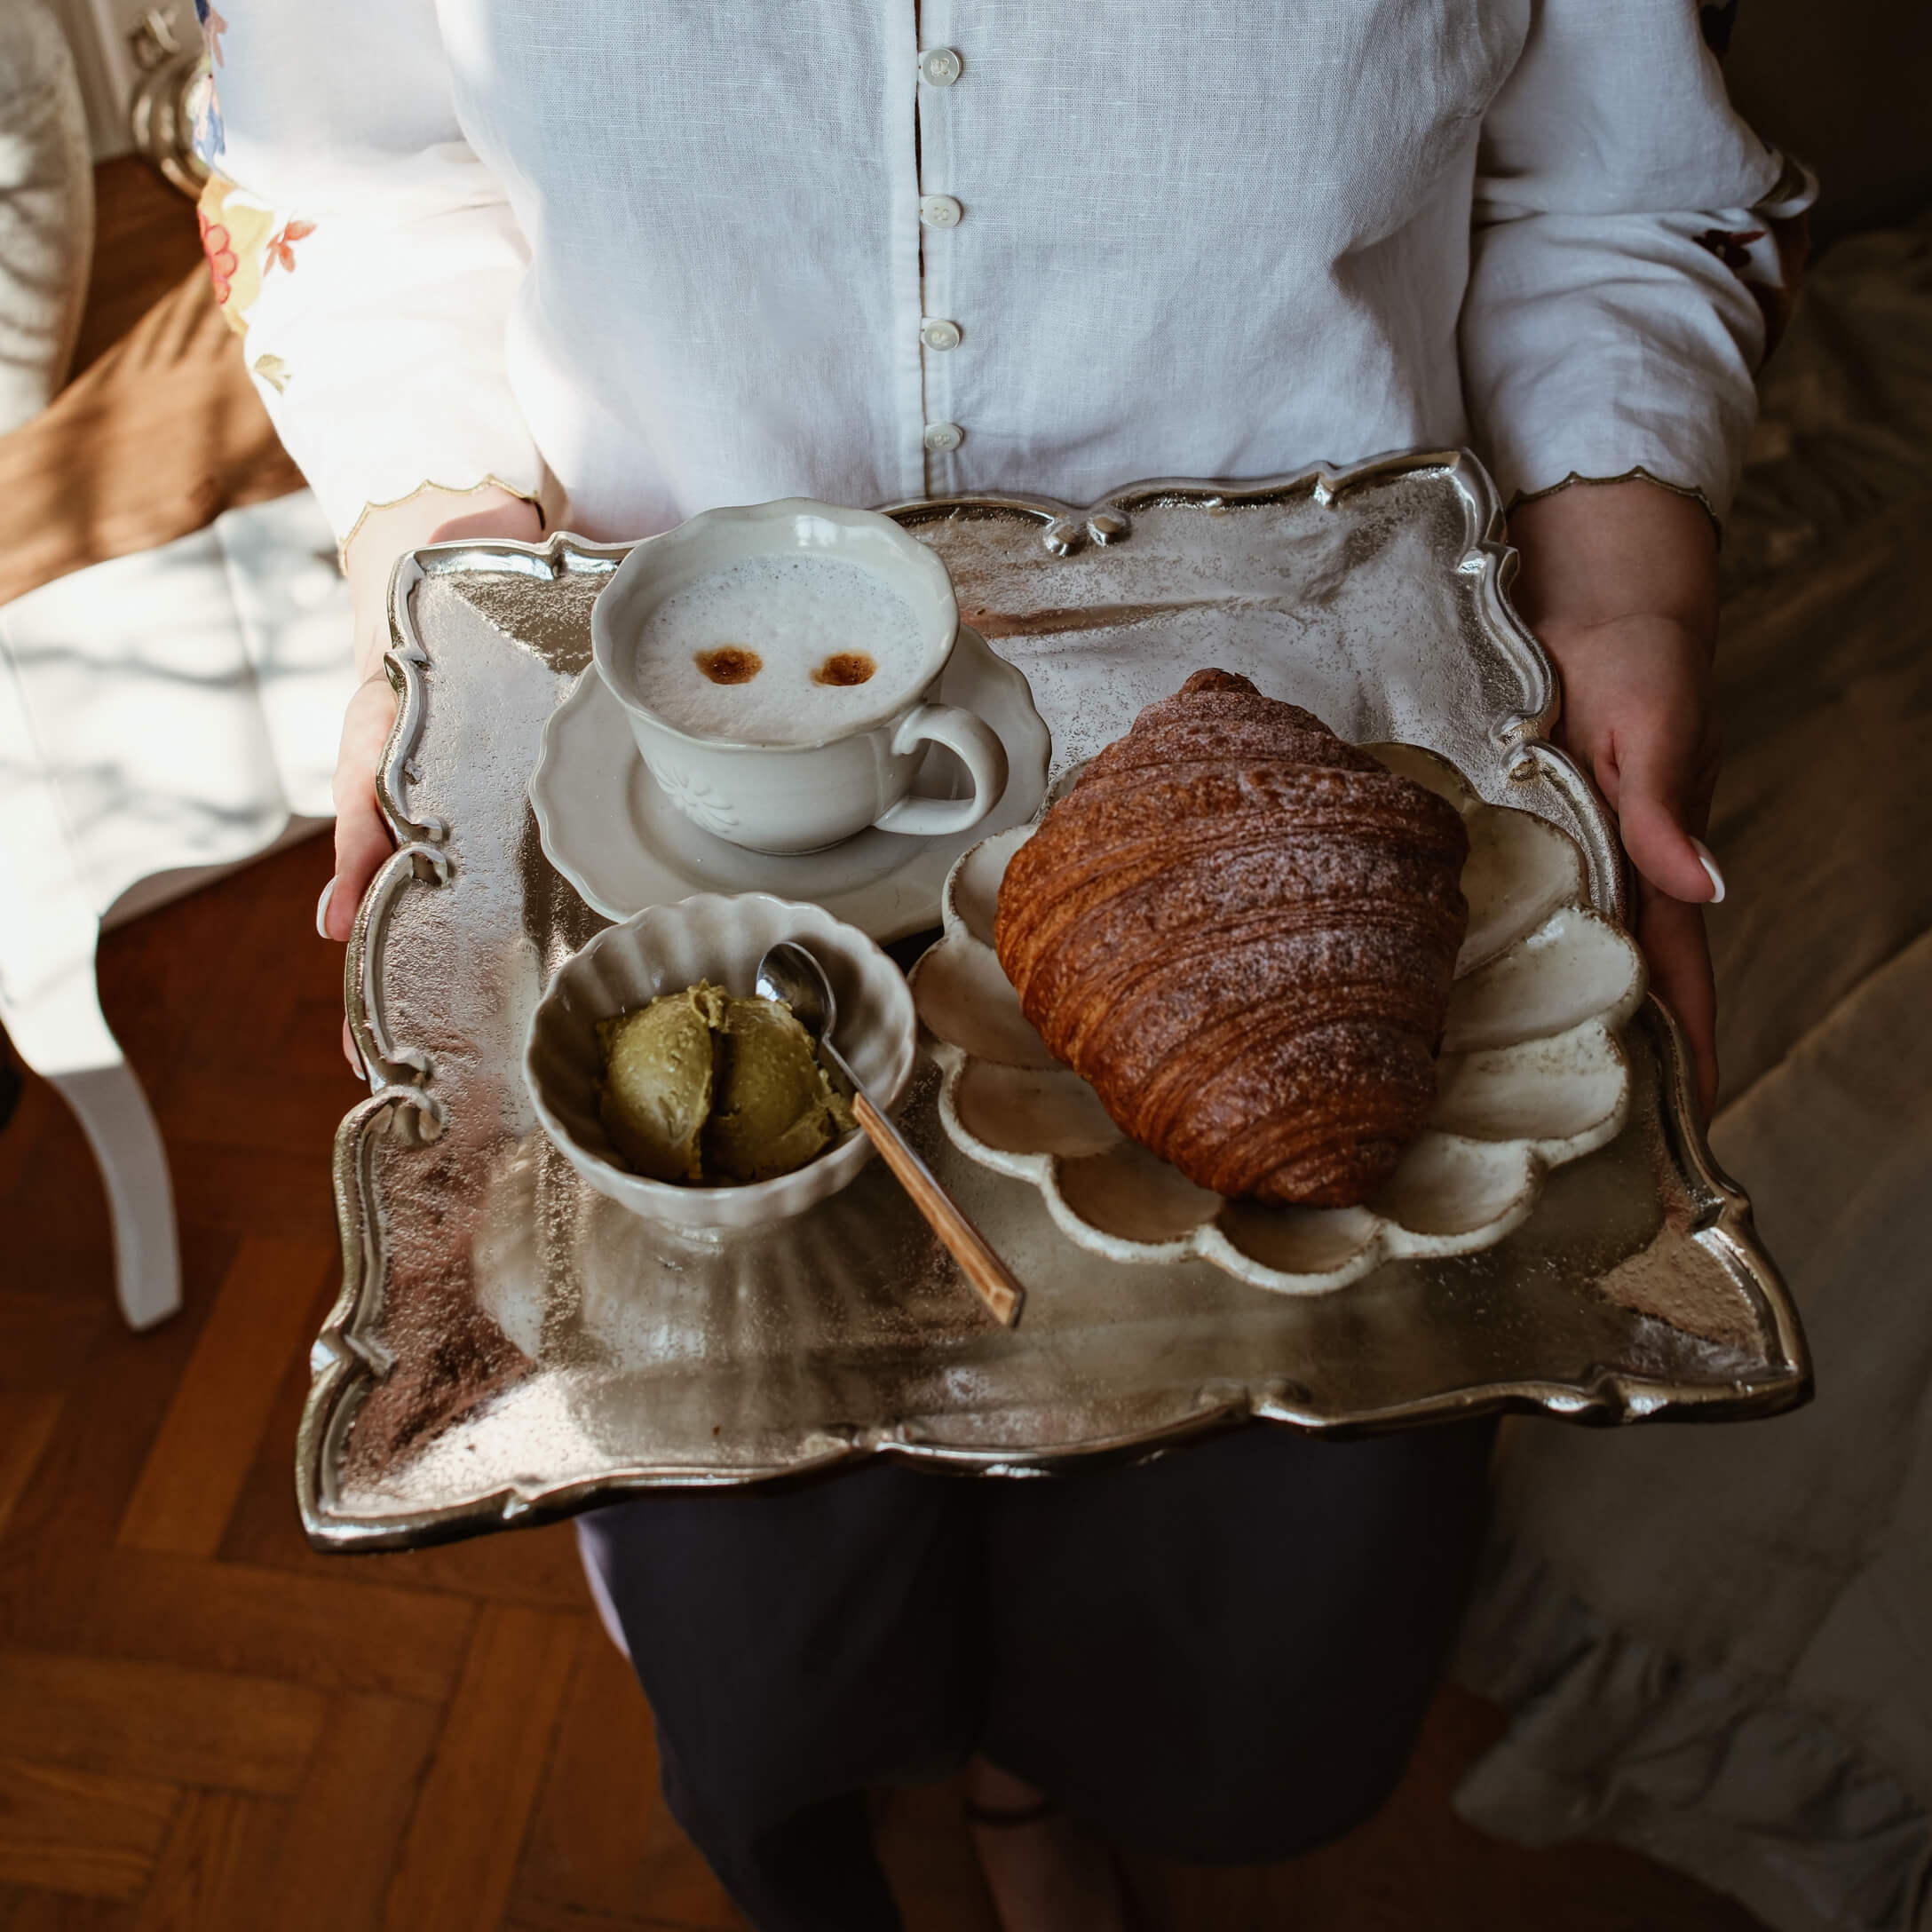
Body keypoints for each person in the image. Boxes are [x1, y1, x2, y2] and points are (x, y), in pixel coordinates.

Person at [202, 5, 1809, 1927]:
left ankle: (1036, 1783)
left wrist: (1628, 595)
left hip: (1302, 854)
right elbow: (354, 192)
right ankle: (861, 1825)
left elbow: (1617, 190)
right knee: (761, 1588)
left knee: (1229, 1537)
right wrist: (437, 574)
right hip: (685, 830)